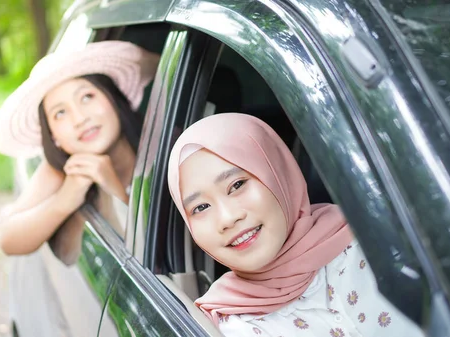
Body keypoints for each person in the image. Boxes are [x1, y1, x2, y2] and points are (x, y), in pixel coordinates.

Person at [167, 113, 425, 336]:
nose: (227, 218)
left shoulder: (380, 242)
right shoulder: (227, 327)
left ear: (278, 172)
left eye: (237, 185)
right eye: (200, 208)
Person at [0, 40, 160, 255]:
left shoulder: (166, 147)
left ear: (113, 98)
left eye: (87, 97)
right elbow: (8, 239)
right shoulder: (62, 170)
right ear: (53, 136)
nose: (79, 119)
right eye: (60, 113)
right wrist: (65, 199)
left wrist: (113, 188)